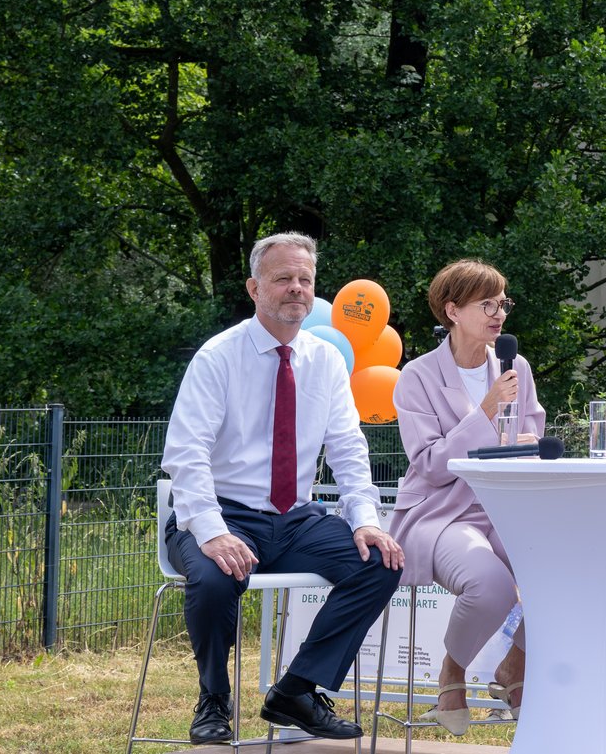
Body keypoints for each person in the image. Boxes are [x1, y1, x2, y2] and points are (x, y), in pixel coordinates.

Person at [160, 232, 404, 745]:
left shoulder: (326, 361)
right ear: (254, 288)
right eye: (283, 279)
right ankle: (213, 701)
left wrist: (365, 521)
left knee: (380, 564)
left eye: (305, 280)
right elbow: (186, 454)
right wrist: (211, 531)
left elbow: (348, 450)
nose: (296, 289)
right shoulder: (218, 357)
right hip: (221, 513)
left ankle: (295, 690)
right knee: (212, 579)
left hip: (294, 520)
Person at [389, 259, 544, 733]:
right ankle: (452, 673)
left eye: (503, 303)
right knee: (492, 588)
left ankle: (514, 666)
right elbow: (432, 465)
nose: (499, 313)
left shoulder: (516, 366)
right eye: (487, 304)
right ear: (452, 310)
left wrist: (528, 448)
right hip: (441, 514)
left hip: (507, 508)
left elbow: (533, 437)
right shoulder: (416, 376)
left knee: (567, 578)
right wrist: (486, 410)